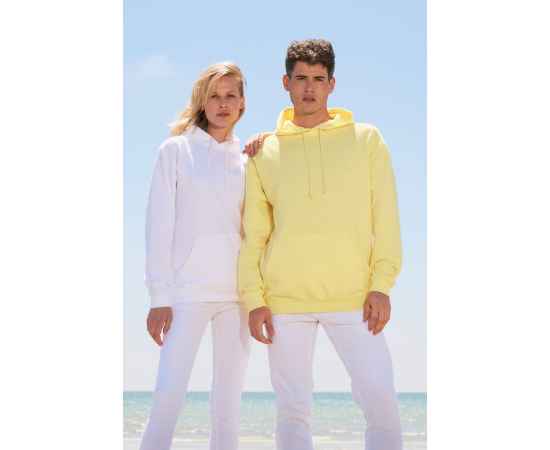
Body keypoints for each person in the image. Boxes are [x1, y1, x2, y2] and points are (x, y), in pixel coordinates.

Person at [238, 39, 404, 450]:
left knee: (381, 402)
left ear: (332, 84)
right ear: (286, 83)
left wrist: (381, 285)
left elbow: (386, 216)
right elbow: (254, 235)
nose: (309, 88)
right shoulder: (263, 151)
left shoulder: (367, 140)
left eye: (318, 79)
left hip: (355, 297)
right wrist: (254, 299)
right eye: (300, 79)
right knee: (292, 412)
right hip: (284, 300)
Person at [141, 61, 261, 450]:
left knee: (228, 405)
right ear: (202, 101)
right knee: (168, 396)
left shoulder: (248, 160)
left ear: (242, 103)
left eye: (231, 96)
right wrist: (159, 297)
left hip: (236, 296)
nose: (223, 104)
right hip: (186, 294)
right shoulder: (175, 151)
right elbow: (158, 226)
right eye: (215, 96)